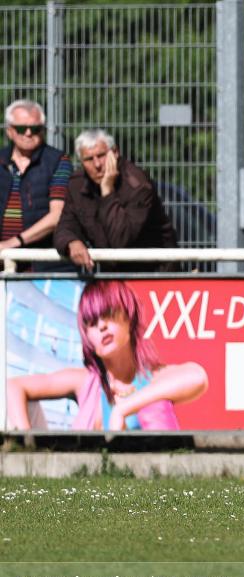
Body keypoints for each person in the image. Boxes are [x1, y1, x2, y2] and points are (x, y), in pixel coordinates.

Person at [6, 280, 208, 431]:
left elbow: (197, 377)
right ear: (88, 339)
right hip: (89, 478)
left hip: (148, 476)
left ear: (129, 318)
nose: (102, 326)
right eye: (93, 323)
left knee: (155, 405)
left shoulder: (153, 377)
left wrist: (123, 409)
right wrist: (28, 444)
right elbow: (13, 386)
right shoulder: (85, 380)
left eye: (109, 315)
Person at [53, 129, 177, 272]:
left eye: (101, 155)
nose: (97, 164)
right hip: (112, 275)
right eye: (89, 159)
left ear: (115, 152)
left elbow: (120, 240)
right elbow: (64, 226)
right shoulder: (77, 184)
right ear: (81, 162)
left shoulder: (137, 185)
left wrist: (107, 190)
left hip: (154, 274)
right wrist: (71, 242)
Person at [0, 99, 73, 271]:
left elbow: (56, 216)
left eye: (35, 129)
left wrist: (13, 243)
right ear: (9, 131)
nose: (28, 133)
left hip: (41, 264)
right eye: (20, 128)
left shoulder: (58, 161)